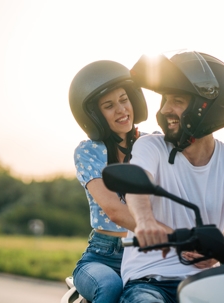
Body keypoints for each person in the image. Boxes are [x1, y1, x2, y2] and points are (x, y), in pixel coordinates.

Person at [119, 51, 224, 303]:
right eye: (165, 100)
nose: (166, 109)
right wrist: (145, 221)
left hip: (210, 284)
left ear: (206, 108)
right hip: (151, 282)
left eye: (177, 100)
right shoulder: (151, 146)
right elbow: (137, 183)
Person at [68, 60, 150, 303]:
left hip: (146, 252)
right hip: (102, 255)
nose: (121, 109)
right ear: (95, 115)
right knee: (110, 285)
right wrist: (166, 233)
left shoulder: (151, 144)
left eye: (124, 99)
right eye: (109, 105)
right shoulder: (89, 151)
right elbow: (114, 210)